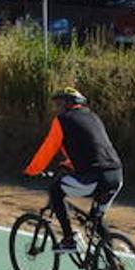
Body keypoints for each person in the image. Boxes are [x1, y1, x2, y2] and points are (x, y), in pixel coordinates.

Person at [23, 87, 124, 254]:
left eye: (60, 103)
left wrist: (31, 170)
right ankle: (113, 264)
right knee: (96, 220)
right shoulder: (93, 117)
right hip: (116, 175)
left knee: (56, 190)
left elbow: (48, 148)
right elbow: (92, 148)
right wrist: (69, 164)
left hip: (94, 178)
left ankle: (69, 240)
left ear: (69, 104)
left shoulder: (62, 120)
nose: (58, 107)